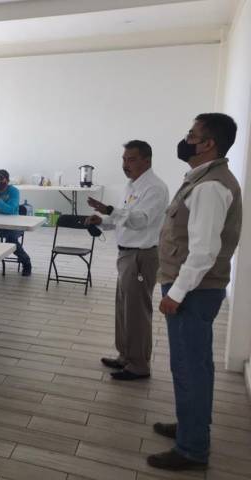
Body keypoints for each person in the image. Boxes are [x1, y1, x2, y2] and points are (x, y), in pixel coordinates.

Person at [147, 113, 242, 471]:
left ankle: (192, 449)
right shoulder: (204, 179)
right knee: (194, 364)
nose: (185, 139)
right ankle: (191, 425)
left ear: (208, 144)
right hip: (196, 288)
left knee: (189, 368)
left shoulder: (209, 187)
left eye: (191, 135)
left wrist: (176, 293)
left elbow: (203, 251)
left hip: (194, 290)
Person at [86, 140, 169, 381]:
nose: (125, 164)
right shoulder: (132, 185)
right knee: (124, 308)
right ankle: (125, 356)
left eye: (131, 159)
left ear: (147, 160)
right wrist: (102, 220)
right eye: (123, 159)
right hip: (126, 255)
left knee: (137, 312)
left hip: (141, 256)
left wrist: (109, 210)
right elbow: (123, 219)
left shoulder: (155, 188)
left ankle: (139, 365)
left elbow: (141, 220)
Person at [0, 169, 32, 275]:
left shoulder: (13, 191)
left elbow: (10, 210)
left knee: (11, 240)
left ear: (7, 180)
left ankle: (26, 262)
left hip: (13, 225)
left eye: (1, 179)